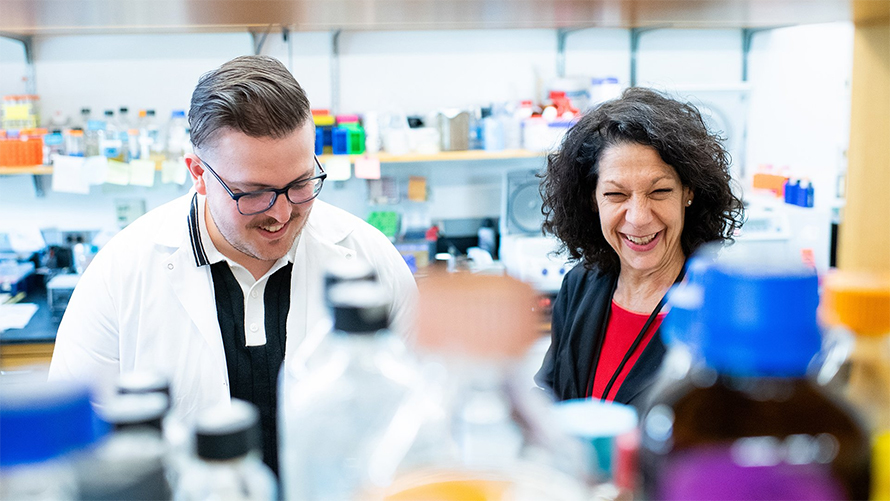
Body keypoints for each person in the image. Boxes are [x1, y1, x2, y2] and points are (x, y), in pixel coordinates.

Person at [49, 55, 418, 474]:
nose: (281, 214)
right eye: (254, 193)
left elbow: (423, 418)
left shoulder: (371, 260)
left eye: (300, 184)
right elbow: (74, 452)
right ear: (199, 175)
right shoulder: (119, 276)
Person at [535, 87, 743, 407]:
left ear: (689, 192)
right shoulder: (580, 284)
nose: (639, 218)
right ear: (592, 200)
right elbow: (548, 393)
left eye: (659, 191)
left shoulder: (717, 313)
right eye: (616, 195)